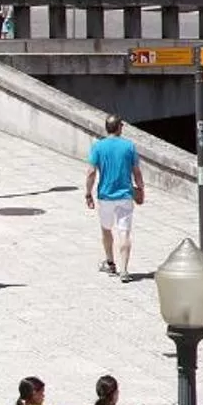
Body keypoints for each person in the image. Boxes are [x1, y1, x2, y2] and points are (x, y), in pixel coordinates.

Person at [83, 118, 142, 282]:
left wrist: (88, 193)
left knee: (106, 229)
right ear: (118, 128)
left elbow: (91, 172)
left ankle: (110, 262)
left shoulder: (98, 147)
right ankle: (124, 270)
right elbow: (136, 172)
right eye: (122, 125)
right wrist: (141, 188)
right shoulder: (129, 146)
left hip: (105, 196)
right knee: (124, 232)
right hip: (125, 195)